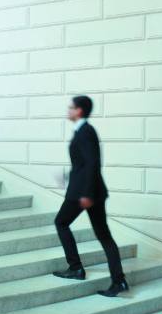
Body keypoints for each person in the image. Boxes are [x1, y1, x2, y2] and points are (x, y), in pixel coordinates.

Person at [54, 95, 128, 297]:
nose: (68, 110)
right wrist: (67, 176)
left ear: (79, 110)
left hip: (84, 193)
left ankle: (76, 268)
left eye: (71, 107)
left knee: (61, 222)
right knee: (104, 236)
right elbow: (83, 164)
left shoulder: (85, 131)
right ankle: (119, 281)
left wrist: (86, 194)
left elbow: (93, 163)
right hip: (88, 190)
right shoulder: (83, 131)